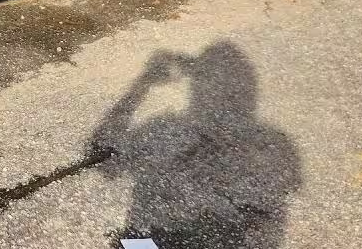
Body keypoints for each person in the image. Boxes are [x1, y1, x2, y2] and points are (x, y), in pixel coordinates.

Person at [88, 41, 302, 248]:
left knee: (133, 240)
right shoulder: (274, 142)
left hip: (154, 239)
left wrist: (144, 82)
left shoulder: (160, 130)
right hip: (229, 239)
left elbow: (102, 155)